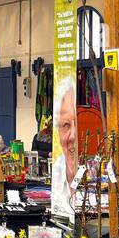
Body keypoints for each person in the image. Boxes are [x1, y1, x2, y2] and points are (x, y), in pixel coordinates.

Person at [51, 76, 79, 218]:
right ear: (57, 131)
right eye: (66, 125)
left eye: (78, 124)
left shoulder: (97, 172)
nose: (73, 136)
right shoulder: (57, 169)